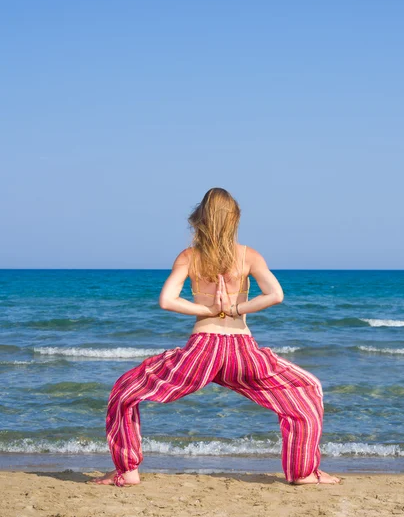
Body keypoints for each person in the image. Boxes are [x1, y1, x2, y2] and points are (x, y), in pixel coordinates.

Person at [91, 188, 341, 487]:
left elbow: (167, 301)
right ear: (234, 220)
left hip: (202, 350)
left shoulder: (189, 257)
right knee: (307, 388)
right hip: (242, 351)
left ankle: (127, 470)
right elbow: (275, 295)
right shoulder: (249, 255)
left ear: (200, 219)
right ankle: (302, 471)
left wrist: (207, 308)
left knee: (125, 391)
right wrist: (235, 307)